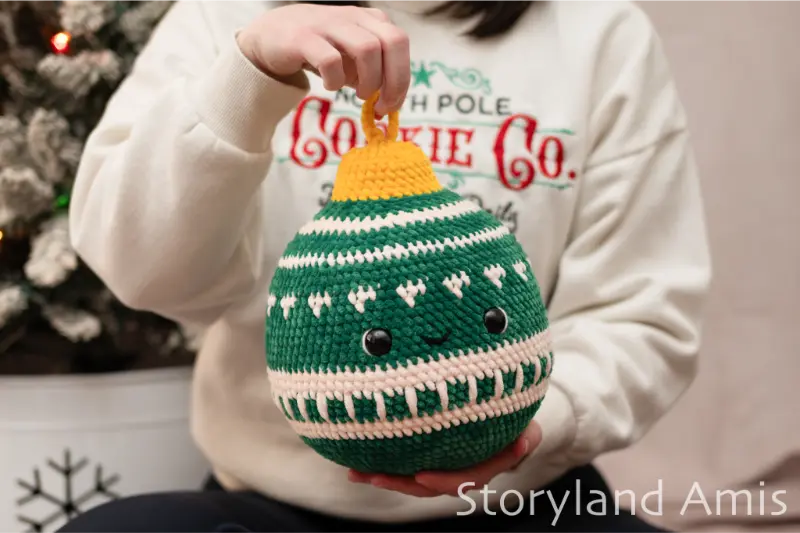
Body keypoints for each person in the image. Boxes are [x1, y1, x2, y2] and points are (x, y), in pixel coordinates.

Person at [60, 0, 712, 531]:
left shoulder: (598, 30)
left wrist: (544, 419)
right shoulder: (223, 14)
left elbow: (642, 311)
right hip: (271, 506)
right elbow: (139, 268)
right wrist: (247, 73)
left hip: (526, 500)